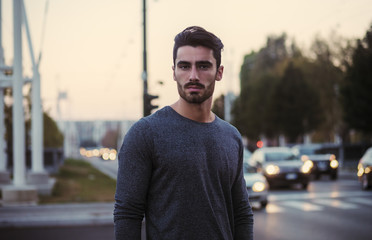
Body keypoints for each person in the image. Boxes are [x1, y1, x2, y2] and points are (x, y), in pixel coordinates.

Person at [114, 26, 254, 240]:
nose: (193, 76)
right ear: (174, 72)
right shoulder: (145, 134)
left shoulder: (231, 136)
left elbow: (242, 213)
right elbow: (127, 214)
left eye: (203, 66)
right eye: (184, 66)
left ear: (219, 72)